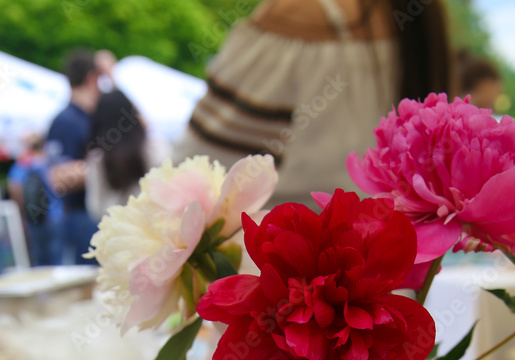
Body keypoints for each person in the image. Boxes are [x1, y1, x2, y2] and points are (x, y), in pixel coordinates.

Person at [174, 0, 452, 207]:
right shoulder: (418, 20)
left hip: (275, 272)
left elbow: (198, 174)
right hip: (377, 273)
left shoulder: (302, 11)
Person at [46, 48, 103, 264]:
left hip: (96, 215)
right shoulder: (66, 121)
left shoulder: (91, 117)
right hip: (83, 216)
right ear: (92, 78)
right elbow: (58, 177)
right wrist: (106, 168)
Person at [85, 89, 169, 220]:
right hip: (155, 228)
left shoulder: (98, 158)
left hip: (116, 232)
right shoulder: (155, 147)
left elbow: (95, 207)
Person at [19, 138, 65, 266]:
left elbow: (15, 188)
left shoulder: (24, 165)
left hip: (34, 217)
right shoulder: (52, 163)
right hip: (55, 216)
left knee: (39, 260)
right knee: (57, 259)